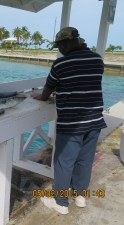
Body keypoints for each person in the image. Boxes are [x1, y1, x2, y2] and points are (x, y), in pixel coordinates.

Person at [31, 27, 107, 214]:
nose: (60, 49)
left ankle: (61, 203)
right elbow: (84, 82)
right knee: (85, 160)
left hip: (72, 122)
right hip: (95, 119)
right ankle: (80, 196)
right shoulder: (97, 59)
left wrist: (40, 96)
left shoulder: (60, 64)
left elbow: (47, 90)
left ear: (66, 43)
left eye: (60, 45)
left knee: (64, 162)